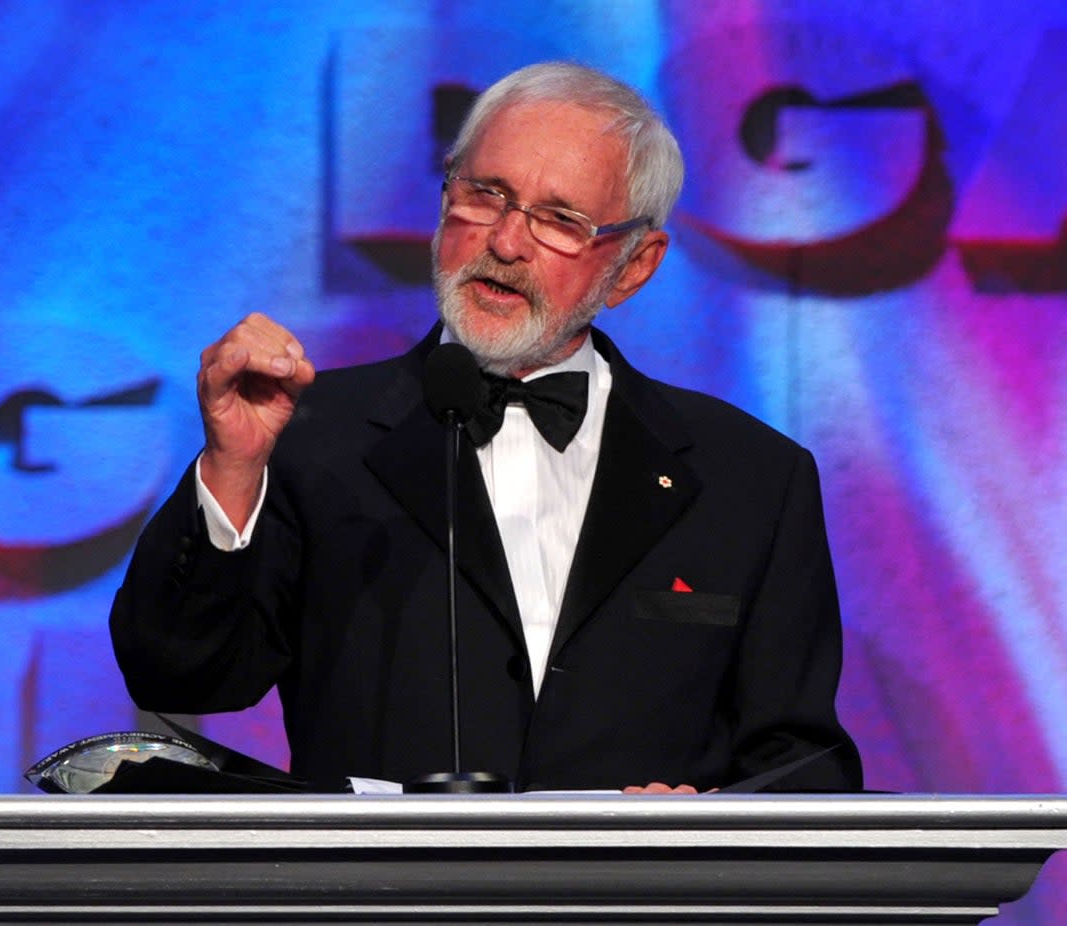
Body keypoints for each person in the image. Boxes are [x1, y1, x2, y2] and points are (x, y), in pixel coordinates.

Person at [109, 61, 863, 794]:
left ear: (633, 266)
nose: (505, 242)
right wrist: (234, 471)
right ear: (444, 205)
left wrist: (701, 826)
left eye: (561, 221)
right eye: (486, 196)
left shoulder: (751, 477)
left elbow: (805, 762)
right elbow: (181, 674)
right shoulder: (309, 436)